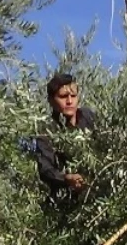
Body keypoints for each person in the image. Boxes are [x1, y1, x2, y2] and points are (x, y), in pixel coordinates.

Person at [34, 72, 97, 207]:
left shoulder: (89, 117)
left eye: (73, 96)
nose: (69, 101)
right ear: (51, 100)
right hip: (65, 203)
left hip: (96, 195)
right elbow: (45, 170)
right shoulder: (46, 130)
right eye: (63, 97)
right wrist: (67, 178)